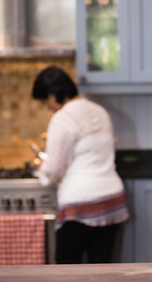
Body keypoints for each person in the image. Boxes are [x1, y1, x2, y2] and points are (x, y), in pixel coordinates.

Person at [32, 66, 129, 264]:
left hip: (80, 203)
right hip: (112, 198)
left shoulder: (62, 118)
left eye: (44, 101)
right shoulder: (99, 110)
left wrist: (40, 168)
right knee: (101, 272)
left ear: (52, 95)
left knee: (66, 274)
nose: (47, 106)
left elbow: (53, 169)